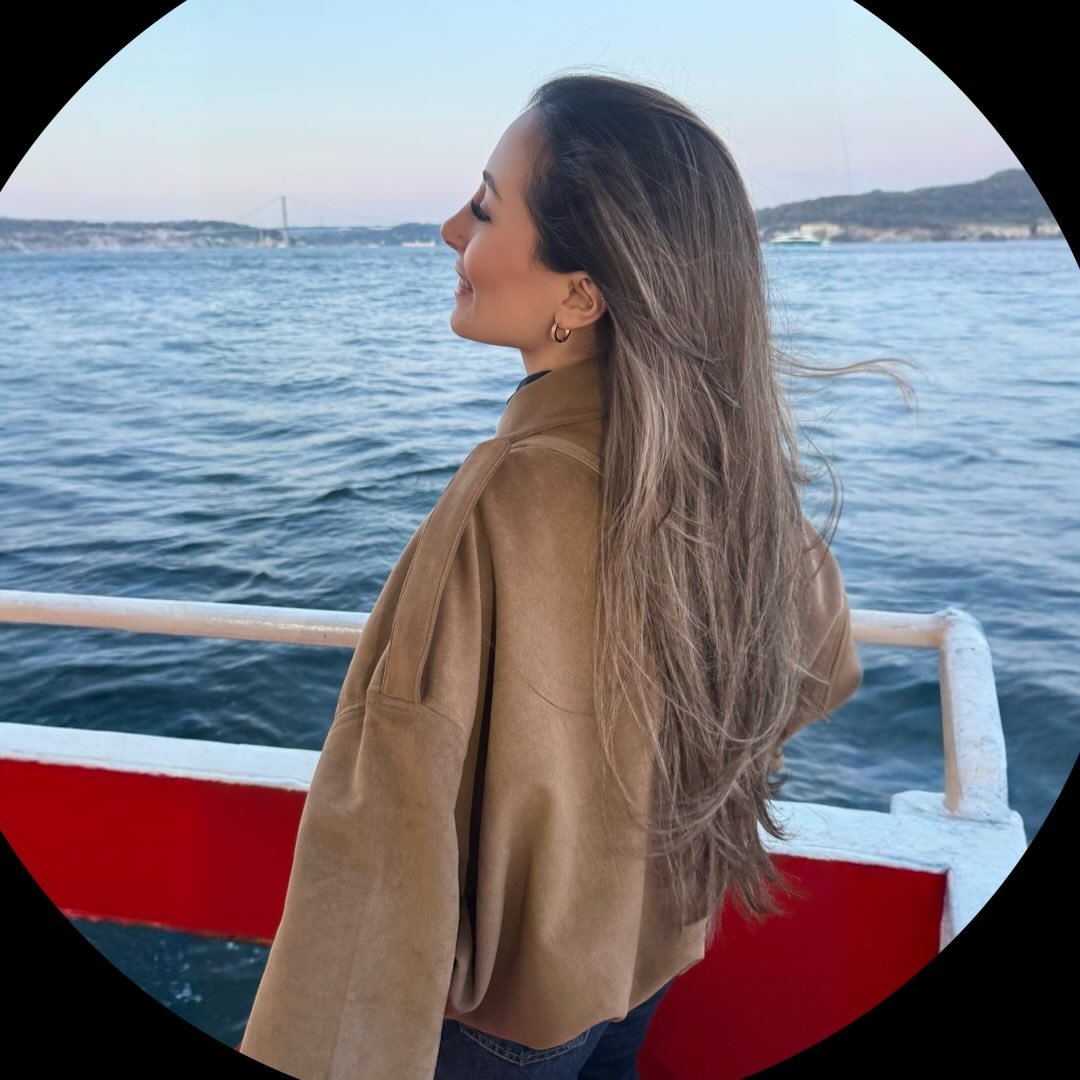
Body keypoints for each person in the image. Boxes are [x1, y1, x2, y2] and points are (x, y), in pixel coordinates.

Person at [239, 71, 906, 1080]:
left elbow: (384, 829)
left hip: (504, 1022)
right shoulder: (730, 471)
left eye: (484, 209)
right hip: (651, 955)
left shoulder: (505, 499)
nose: (448, 232)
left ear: (581, 297)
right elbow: (823, 666)